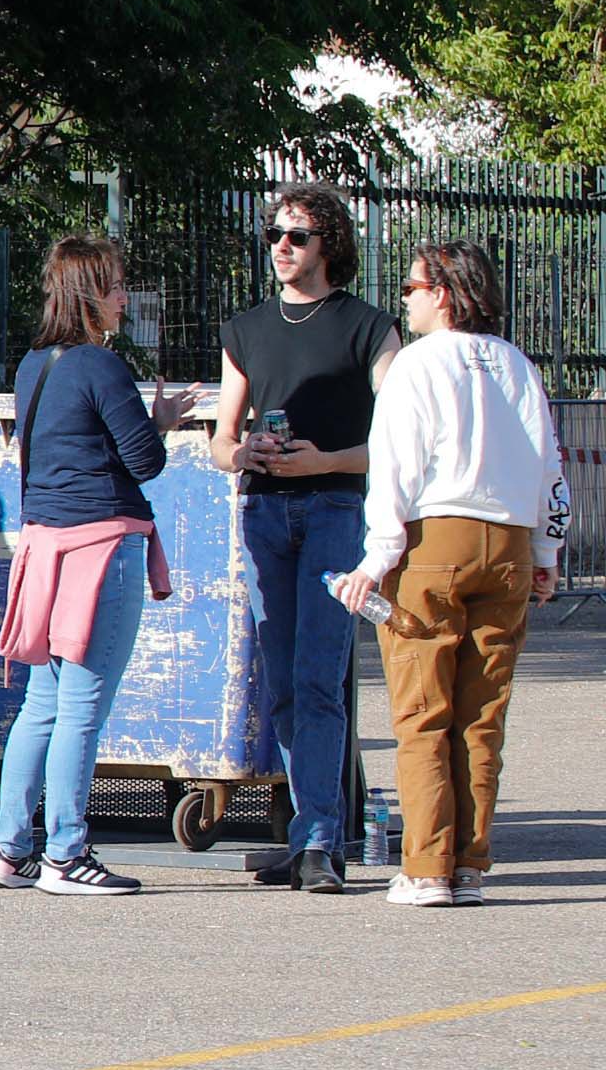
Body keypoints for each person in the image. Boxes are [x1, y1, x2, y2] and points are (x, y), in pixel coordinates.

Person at [341, 241, 559, 909]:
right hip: (510, 543)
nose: (405, 299)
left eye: (412, 287)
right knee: (482, 715)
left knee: (421, 712)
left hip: (435, 540)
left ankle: (426, 867)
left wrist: (377, 557)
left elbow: (396, 464)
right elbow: (549, 464)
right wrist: (547, 554)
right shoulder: (517, 364)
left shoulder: (416, 365)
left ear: (443, 292)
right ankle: (469, 863)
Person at [210, 184, 398, 893]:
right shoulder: (247, 328)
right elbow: (221, 441)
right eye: (273, 236)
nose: (281, 248)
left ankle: (321, 838)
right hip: (264, 512)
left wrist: (327, 462)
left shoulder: (369, 328)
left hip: (332, 510)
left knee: (320, 676)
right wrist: (245, 452)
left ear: (329, 245)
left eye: (296, 236)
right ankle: (304, 833)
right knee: (283, 682)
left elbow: (398, 444)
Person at [0, 237, 170, 898]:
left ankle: (10, 849)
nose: (125, 297)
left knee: (42, 703)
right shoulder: (102, 367)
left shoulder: (34, 365)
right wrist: (161, 422)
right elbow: (145, 462)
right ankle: (65, 852)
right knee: (83, 707)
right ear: (93, 294)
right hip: (99, 547)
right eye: (118, 285)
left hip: (44, 543)